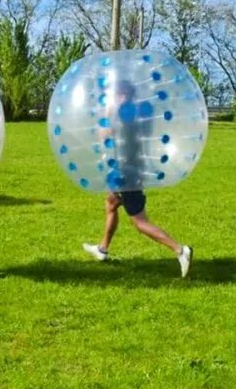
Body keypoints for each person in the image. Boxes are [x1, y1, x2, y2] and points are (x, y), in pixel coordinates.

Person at [82, 79, 194, 278]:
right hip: (132, 167)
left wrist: (107, 114)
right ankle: (102, 249)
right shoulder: (139, 112)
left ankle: (180, 250)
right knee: (111, 203)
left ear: (122, 94)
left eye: (116, 94)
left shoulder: (123, 112)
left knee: (139, 221)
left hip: (124, 172)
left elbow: (104, 134)